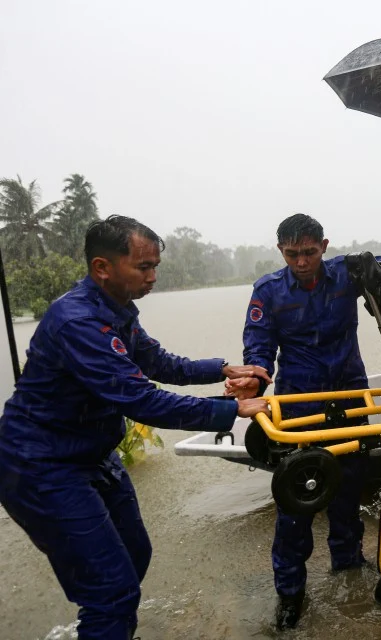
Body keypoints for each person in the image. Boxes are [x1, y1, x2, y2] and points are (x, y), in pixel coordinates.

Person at [0, 215, 271, 640]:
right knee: (110, 590)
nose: (153, 277)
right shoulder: (78, 322)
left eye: (155, 266)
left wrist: (222, 367)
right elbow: (140, 398)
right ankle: (108, 620)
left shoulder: (118, 310)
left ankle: (110, 627)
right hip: (41, 464)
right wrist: (228, 411)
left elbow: (159, 363)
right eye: (143, 267)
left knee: (134, 555)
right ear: (102, 268)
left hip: (92, 453)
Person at [228, 211, 381, 630]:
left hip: (349, 404)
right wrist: (253, 382)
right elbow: (259, 350)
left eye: (308, 252)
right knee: (295, 506)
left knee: (347, 493)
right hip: (300, 407)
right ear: (280, 250)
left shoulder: (349, 273)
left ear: (324, 246)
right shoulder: (267, 292)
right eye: (292, 254)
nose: (301, 262)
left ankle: (348, 572)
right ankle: (290, 595)